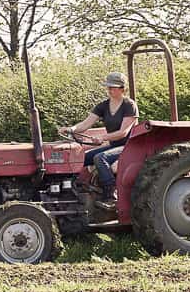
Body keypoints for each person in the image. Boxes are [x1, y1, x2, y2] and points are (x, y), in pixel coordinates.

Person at [57, 72, 139, 205]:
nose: (110, 90)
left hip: (129, 146)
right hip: (114, 146)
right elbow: (85, 124)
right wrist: (72, 129)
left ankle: (111, 195)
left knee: (100, 158)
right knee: (81, 157)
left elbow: (123, 133)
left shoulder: (129, 105)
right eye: (108, 87)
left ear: (122, 89)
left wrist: (102, 137)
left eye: (113, 87)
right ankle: (72, 189)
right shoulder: (103, 106)